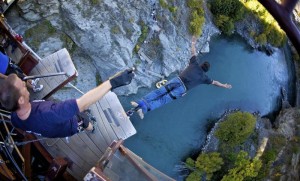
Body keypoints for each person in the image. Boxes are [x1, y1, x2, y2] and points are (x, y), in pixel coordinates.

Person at [0, 68, 134, 138]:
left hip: (52, 126)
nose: (25, 83)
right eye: (22, 86)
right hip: (70, 125)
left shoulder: (14, 118)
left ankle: (86, 124)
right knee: (84, 119)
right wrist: (113, 82)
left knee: (78, 113)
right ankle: (91, 128)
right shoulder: (49, 113)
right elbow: (83, 103)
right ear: (21, 100)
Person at [129, 37, 232, 119]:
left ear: (201, 65)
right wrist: (224, 85)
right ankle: (144, 109)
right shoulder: (204, 78)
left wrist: (193, 42)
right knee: (164, 99)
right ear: (206, 71)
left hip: (177, 80)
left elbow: (193, 52)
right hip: (182, 89)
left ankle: (141, 102)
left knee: (159, 92)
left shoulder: (194, 63)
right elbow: (215, 82)